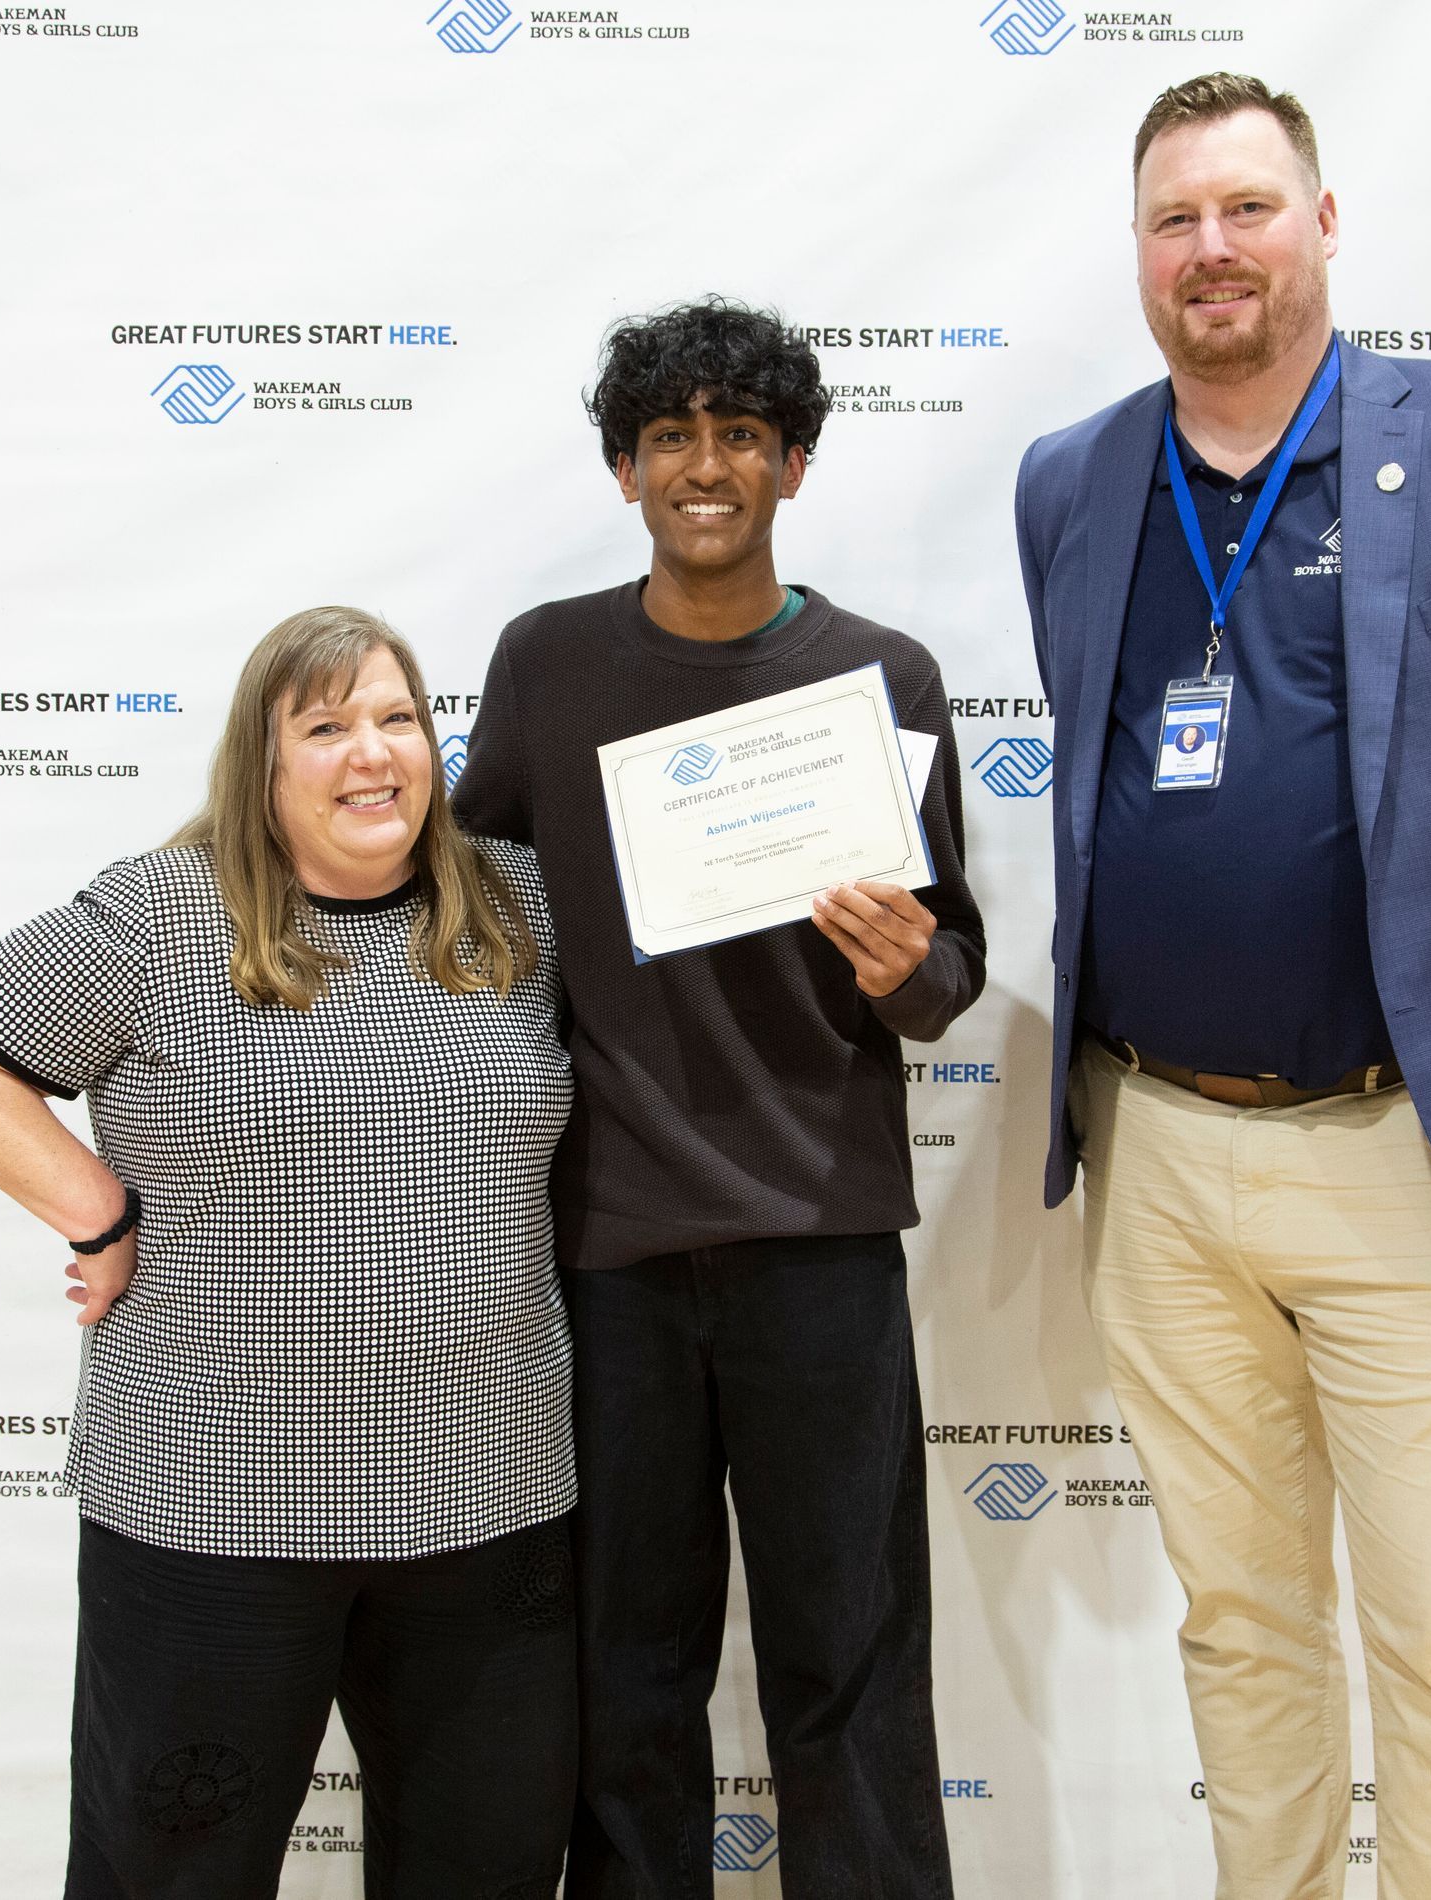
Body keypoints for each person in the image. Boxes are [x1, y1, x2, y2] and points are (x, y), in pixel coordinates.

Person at [1015, 73, 1431, 1900]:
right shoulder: (1073, 478)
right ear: (1138, 252)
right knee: (1240, 1632)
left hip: (1417, 1151)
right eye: (1175, 220)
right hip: (1160, 1154)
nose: (1211, 249)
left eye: (1247, 207)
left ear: (1323, 222)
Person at [0, 607, 579, 1900]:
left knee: (485, 1871)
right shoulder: (159, 916)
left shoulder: (517, 903)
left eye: (398, 718)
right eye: (324, 727)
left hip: (491, 1502)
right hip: (212, 1506)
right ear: (259, 765)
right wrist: (98, 1212)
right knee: (171, 1874)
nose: (372, 753)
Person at [454, 298, 983, 1899]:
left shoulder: (882, 679)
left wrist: (908, 970)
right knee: (625, 1666)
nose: (705, 465)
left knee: (853, 1656)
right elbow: (471, 916)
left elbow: (948, 971)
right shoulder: (546, 664)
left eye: (741, 434)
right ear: (624, 470)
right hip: (610, 1251)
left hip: (821, 1241)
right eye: (670, 436)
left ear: (792, 465)